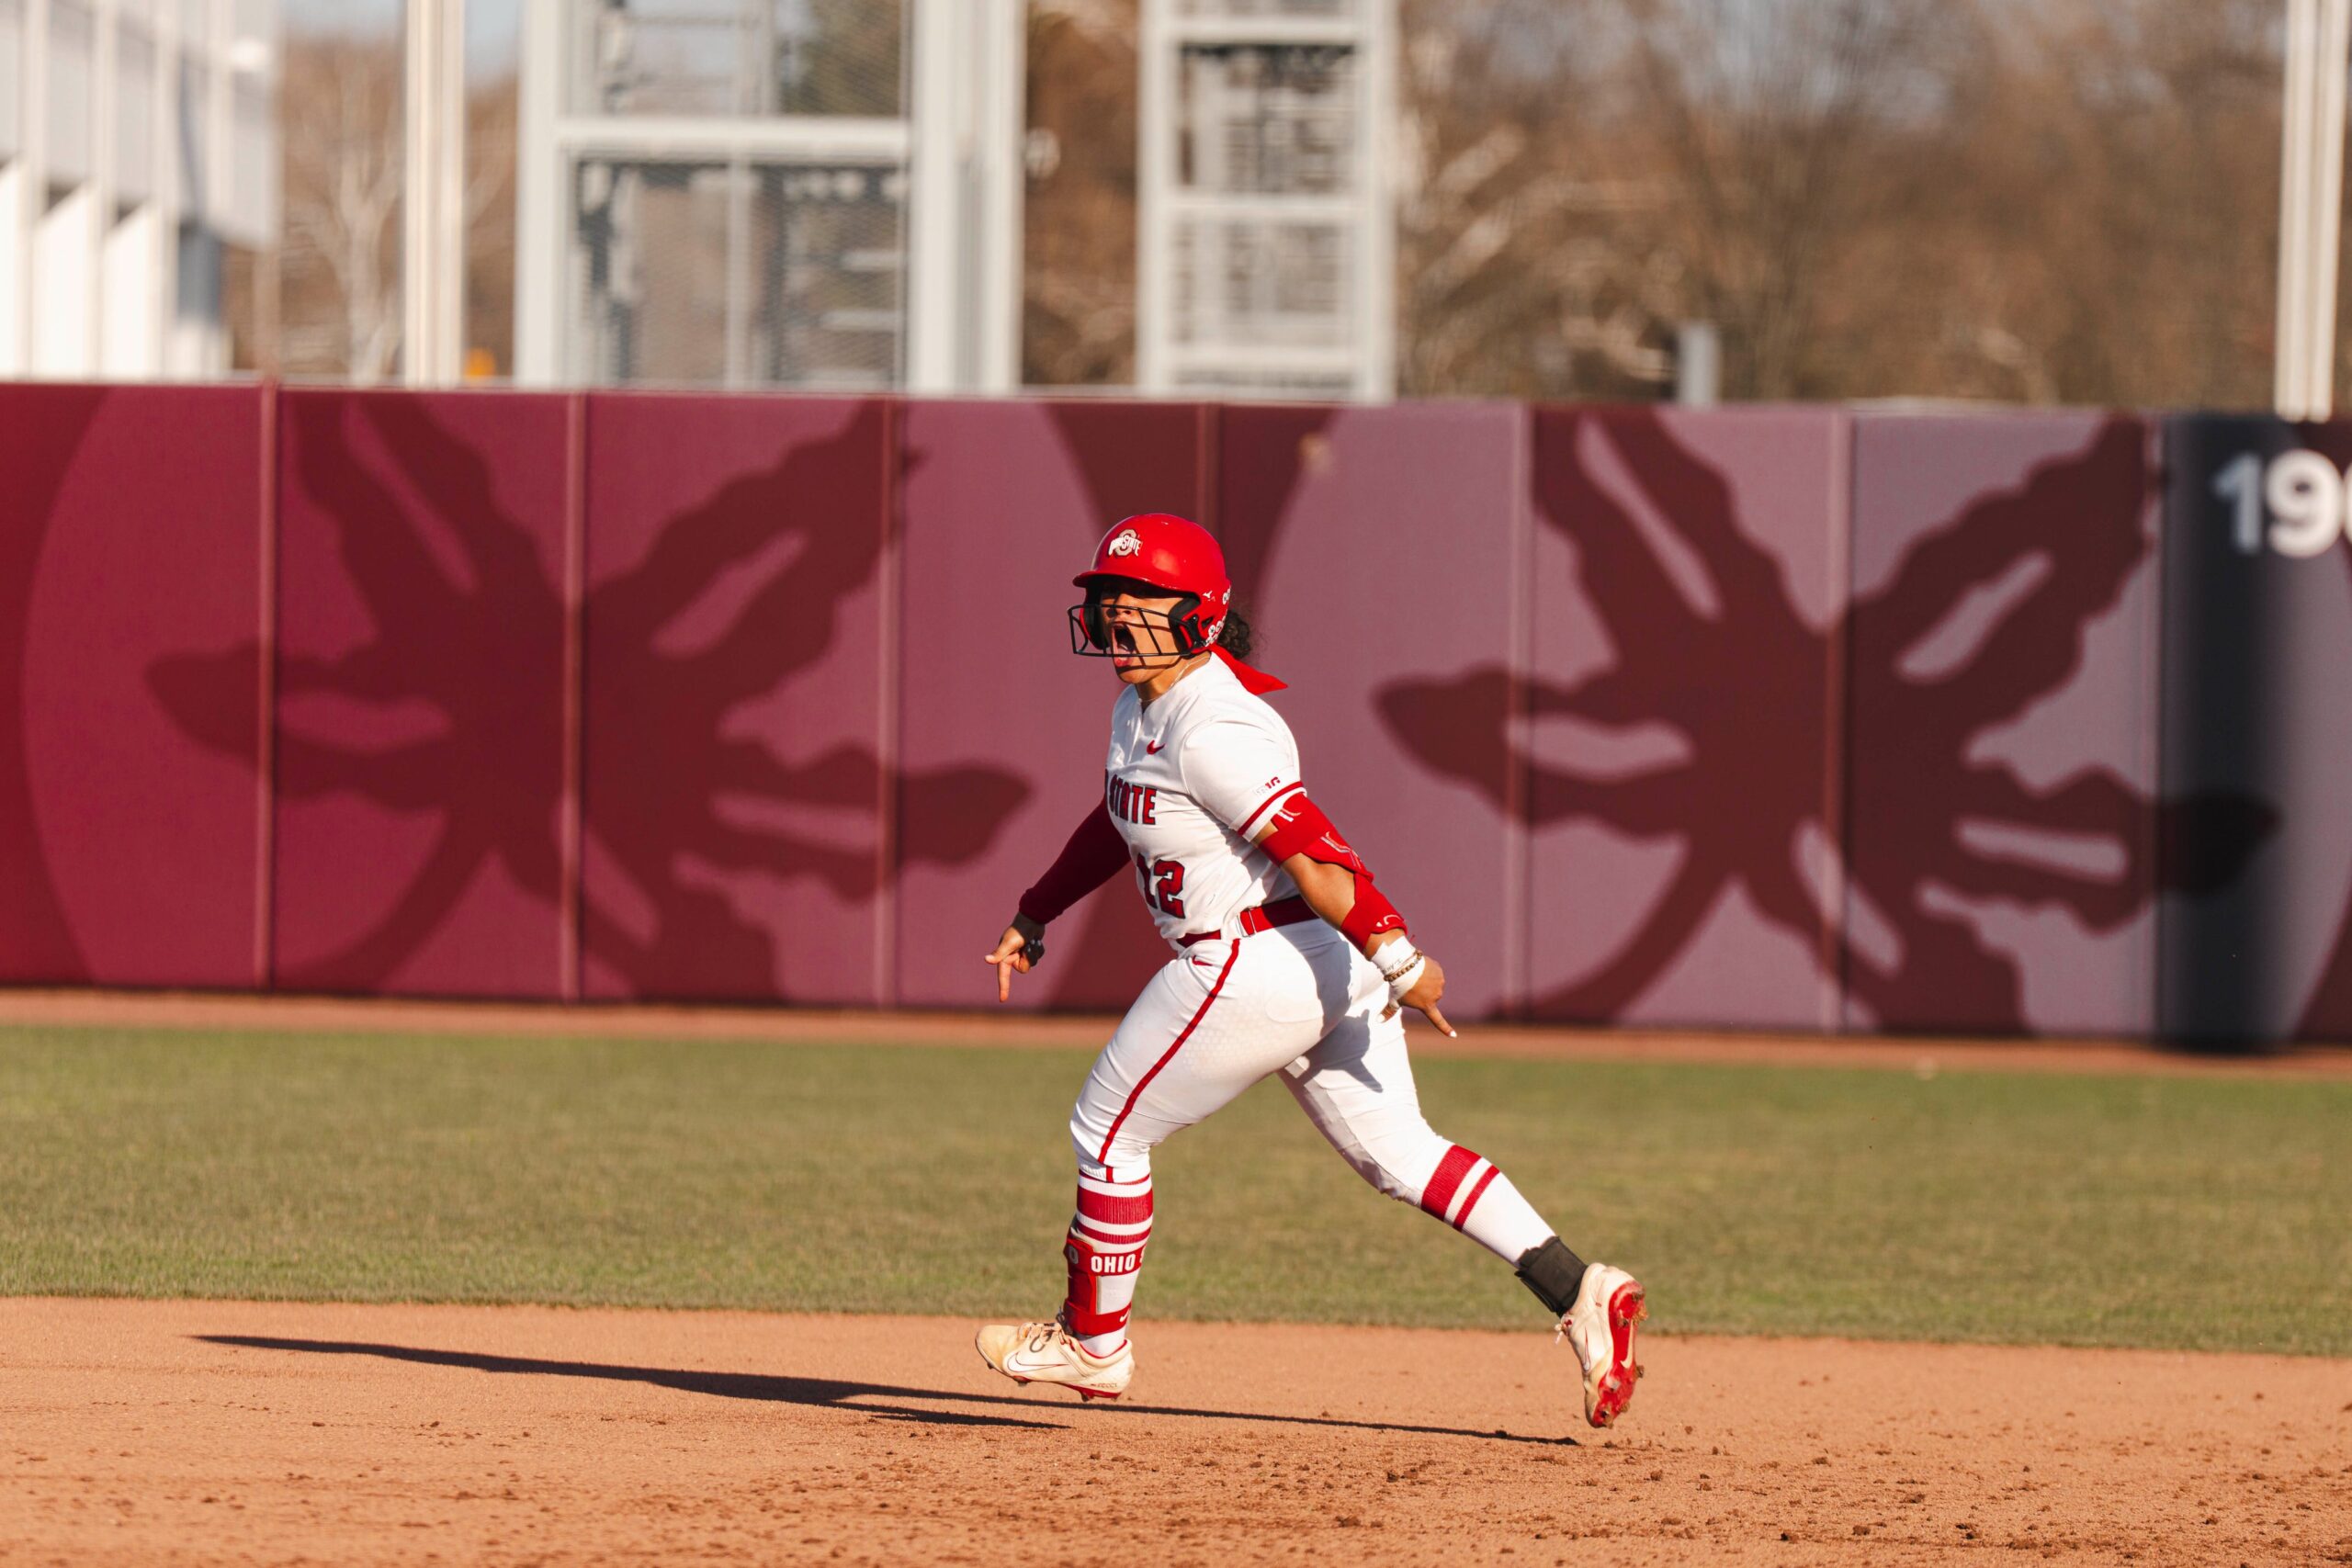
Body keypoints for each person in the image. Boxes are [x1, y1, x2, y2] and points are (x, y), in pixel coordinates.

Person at [974, 513, 1645, 1428]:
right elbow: (1114, 818)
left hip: (1254, 957)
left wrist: (1400, 955)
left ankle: (1095, 1343)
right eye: (1107, 602)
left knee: (1107, 1132)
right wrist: (1036, 908)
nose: (1118, 622)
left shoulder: (1214, 728)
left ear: (1198, 615)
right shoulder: (1143, 707)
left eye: (1139, 604)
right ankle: (1581, 1292)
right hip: (1298, 964)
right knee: (1401, 1156)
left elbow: (1318, 859)